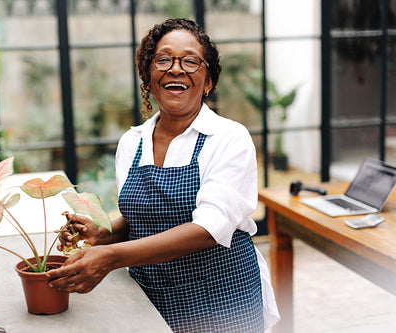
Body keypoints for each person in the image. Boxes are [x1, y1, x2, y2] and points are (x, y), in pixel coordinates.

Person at [47, 18, 279, 332]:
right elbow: (144, 218)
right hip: (153, 298)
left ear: (208, 81)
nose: (176, 68)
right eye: (164, 59)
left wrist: (111, 256)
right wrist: (102, 233)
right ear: (149, 78)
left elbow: (209, 228)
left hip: (223, 304)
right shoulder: (133, 142)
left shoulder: (228, 138)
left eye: (190, 61)